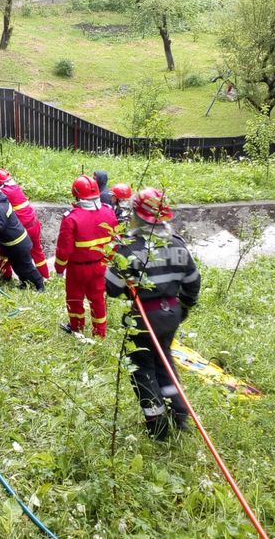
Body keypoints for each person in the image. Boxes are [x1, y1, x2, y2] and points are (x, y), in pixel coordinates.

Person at [105, 188, 200, 440]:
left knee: (142, 367)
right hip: (171, 316)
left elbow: (112, 288)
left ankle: (157, 425)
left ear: (136, 215)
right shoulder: (178, 245)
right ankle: (179, 414)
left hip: (143, 319)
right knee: (164, 361)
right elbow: (193, 282)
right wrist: (183, 308)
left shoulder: (128, 248)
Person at [55, 175, 118, 337]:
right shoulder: (109, 212)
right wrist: (108, 260)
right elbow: (115, 241)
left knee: (75, 299)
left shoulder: (71, 218)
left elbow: (64, 249)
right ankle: (100, 333)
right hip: (100, 266)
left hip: (77, 269)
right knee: (98, 300)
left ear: (76, 195)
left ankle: (76, 328)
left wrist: (59, 268)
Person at [0, 181, 44, 291]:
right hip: (10, 244)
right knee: (17, 267)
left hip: (18, 243)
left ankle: (40, 284)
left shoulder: (0, 207)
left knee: (27, 267)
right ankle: (24, 283)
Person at [0, 168, 49, 280]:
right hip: (34, 223)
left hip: (21, 229)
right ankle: (45, 276)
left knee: (3, 249)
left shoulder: (2, 193)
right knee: (37, 251)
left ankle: (6, 277)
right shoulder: (16, 187)